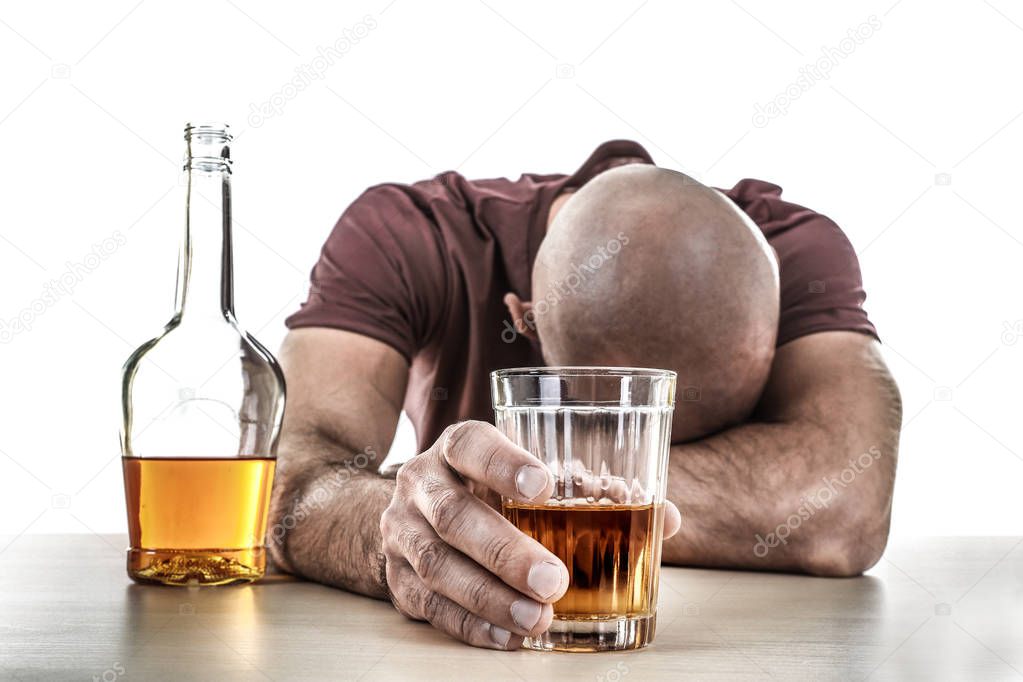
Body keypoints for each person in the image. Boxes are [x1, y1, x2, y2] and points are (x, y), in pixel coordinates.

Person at [269, 140, 902, 650]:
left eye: (693, 432)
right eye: (613, 425)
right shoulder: (407, 235)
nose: (627, 471)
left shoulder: (798, 250)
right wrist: (407, 531)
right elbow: (290, 481)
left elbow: (845, 511)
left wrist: (519, 506)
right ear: (525, 322)